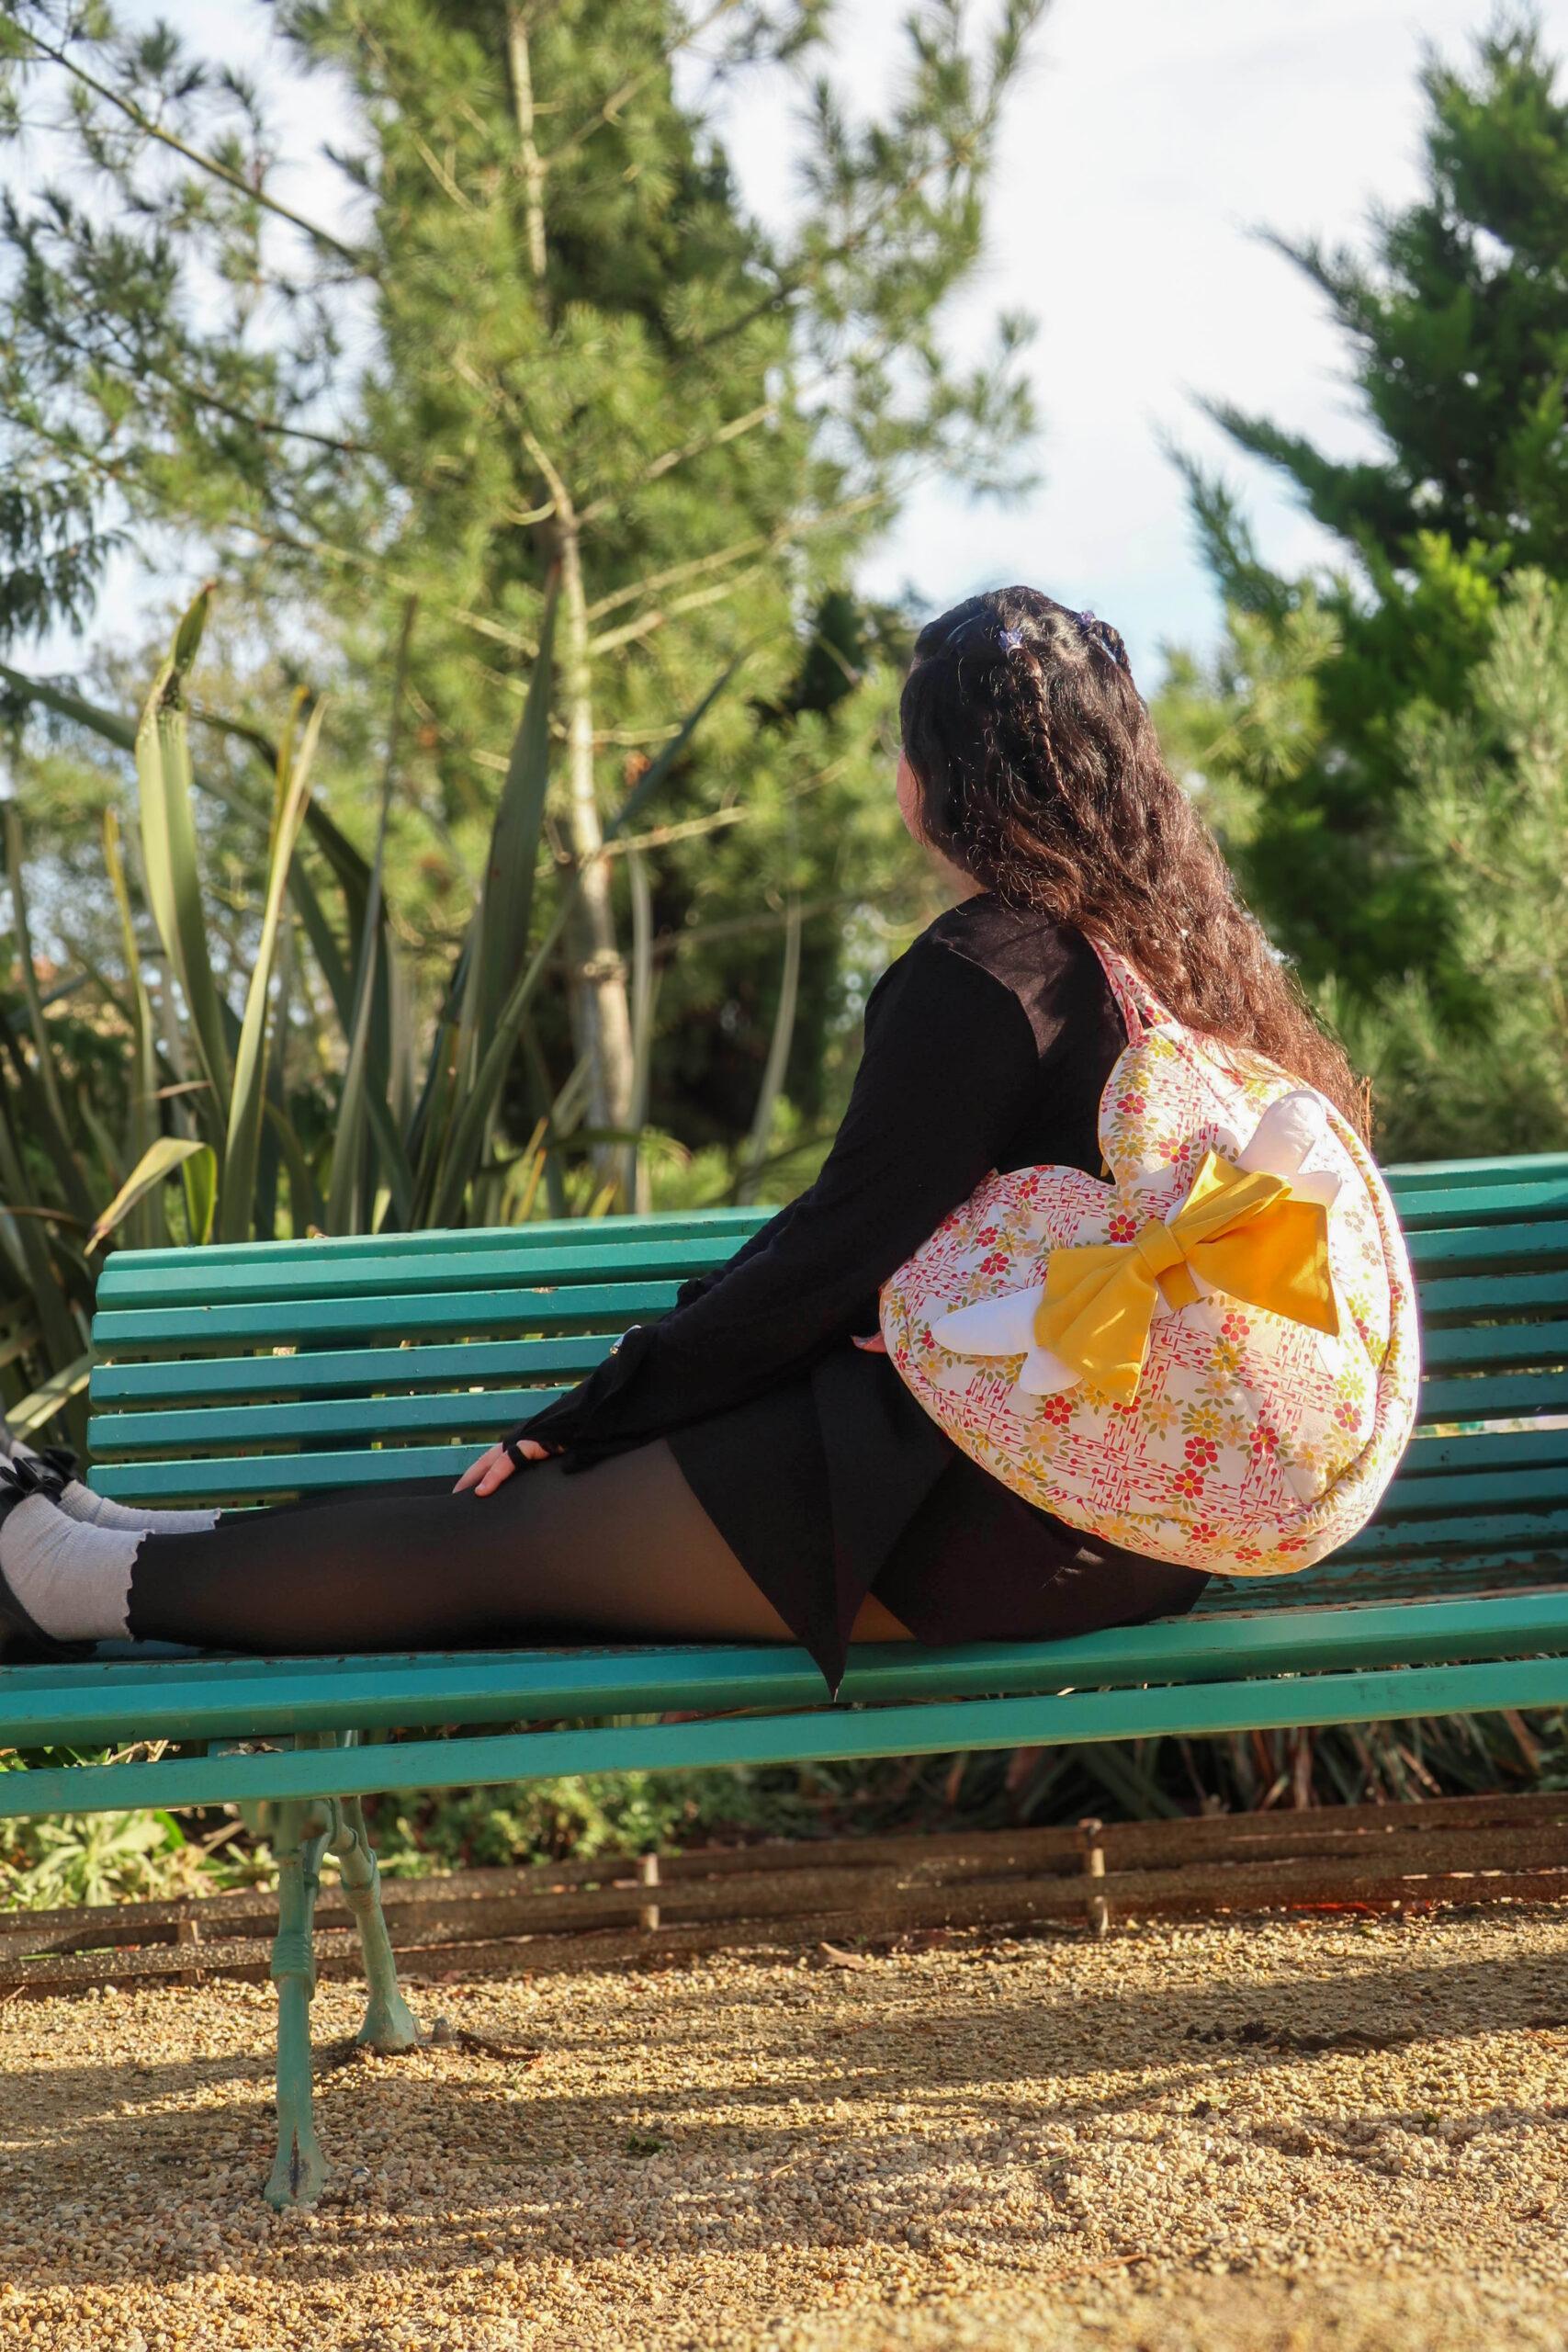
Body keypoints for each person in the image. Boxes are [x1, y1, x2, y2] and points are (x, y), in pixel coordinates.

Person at [0, 586, 1370, 1700]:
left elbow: (842, 1248)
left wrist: (599, 1406)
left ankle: (63, 1584)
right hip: (1147, 1527)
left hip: (1004, 1519)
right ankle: (116, 1544)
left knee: (506, 1541)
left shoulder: (991, 968)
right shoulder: (1181, 963)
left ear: (923, 787)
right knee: (527, 1525)